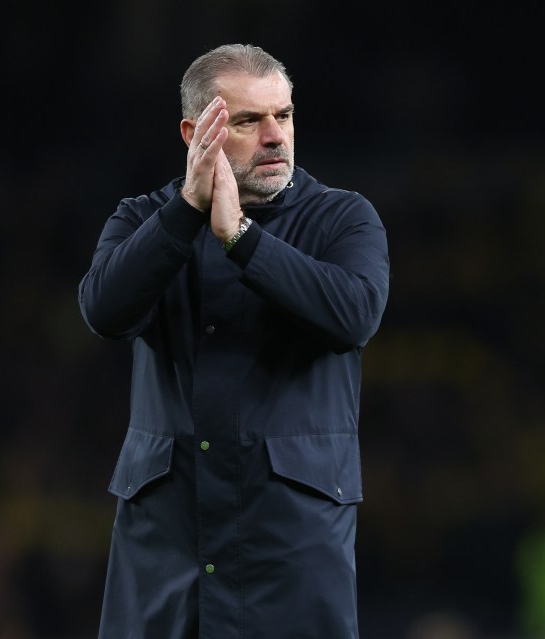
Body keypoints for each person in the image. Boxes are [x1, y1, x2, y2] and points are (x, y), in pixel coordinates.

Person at [78, 43, 390, 638]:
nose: (275, 136)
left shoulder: (343, 219)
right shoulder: (141, 218)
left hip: (290, 547)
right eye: (249, 121)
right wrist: (186, 213)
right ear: (196, 132)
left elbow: (354, 315)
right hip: (165, 545)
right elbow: (103, 312)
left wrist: (240, 238)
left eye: (285, 115)